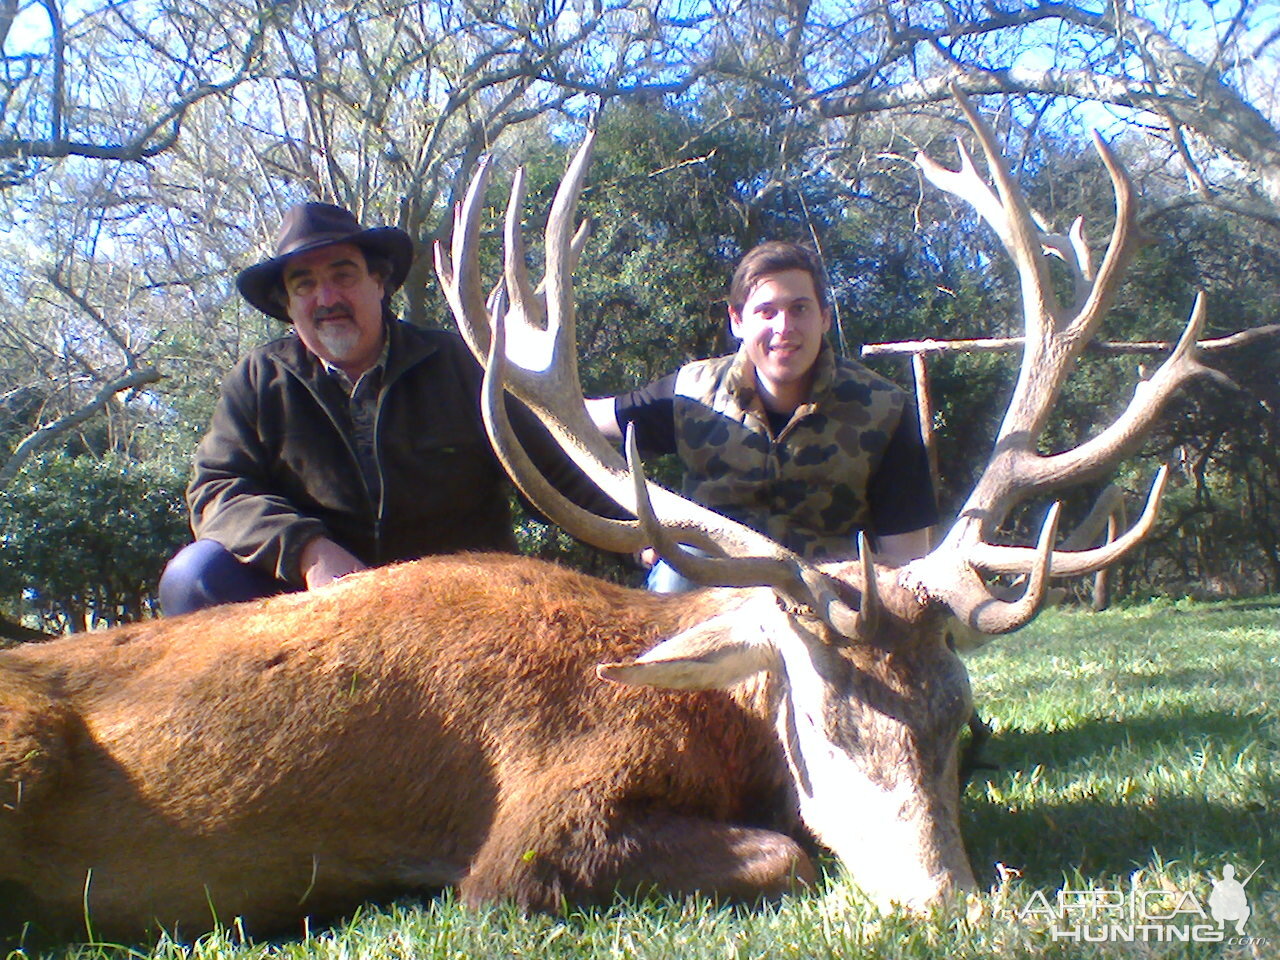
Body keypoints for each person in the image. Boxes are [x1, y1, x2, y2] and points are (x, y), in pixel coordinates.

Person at [159, 202, 620, 615]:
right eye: (305, 285)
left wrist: (643, 536)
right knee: (195, 576)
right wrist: (309, 551)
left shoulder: (463, 365)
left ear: (378, 282)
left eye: (343, 275)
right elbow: (217, 490)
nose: (327, 298)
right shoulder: (259, 381)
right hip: (317, 609)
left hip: (459, 608)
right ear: (288, 304)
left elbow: (554, 475)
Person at [585, 241, 937, 591]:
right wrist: (639, 533)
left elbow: (904, 562)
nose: (784, 327)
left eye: (799, 309)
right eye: (766, 312)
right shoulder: (691, 393)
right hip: (716, 595)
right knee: (676, 573)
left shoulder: (883, 409)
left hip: (830, 603)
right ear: (737, 321)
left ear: (824, 318)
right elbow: (579, 424)